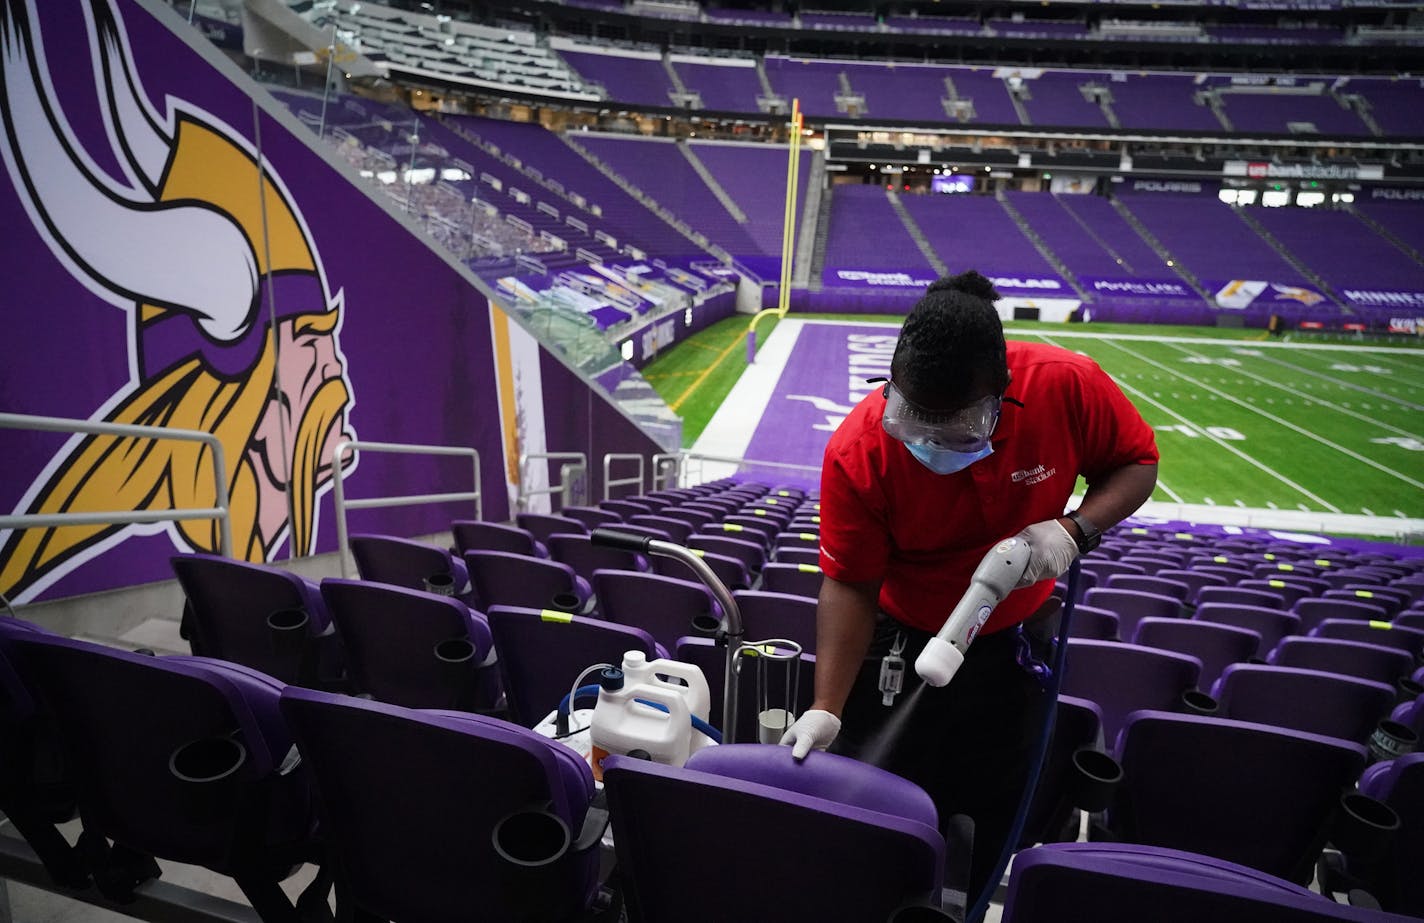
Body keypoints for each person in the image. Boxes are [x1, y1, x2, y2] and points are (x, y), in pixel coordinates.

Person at [781, 270, 1159, 915]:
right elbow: (850, 582)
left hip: (1014, 646)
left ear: (1003, 393)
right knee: (883, 815)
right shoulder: (860, 449)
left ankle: (979, 898)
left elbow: (1136, 460)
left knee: (999, 803)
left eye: (957, 427)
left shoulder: (1065, 384)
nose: (931, 443)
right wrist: (827, 706)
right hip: (898, 649)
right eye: (914, 420)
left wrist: (1075, 530)